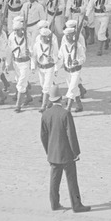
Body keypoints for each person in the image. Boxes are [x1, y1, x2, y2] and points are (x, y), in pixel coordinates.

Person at [40, 85, 90, 213]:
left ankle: (54, 203)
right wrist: (76, 152)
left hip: (53, 153)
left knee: (54, 180)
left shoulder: (45, 114)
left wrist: (49, 151)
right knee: (72, 180)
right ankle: (76, 204)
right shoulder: (65, 113)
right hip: (66, 153)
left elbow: (43, 136)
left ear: (50, 100)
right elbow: (71, 134)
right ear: (61, 98)